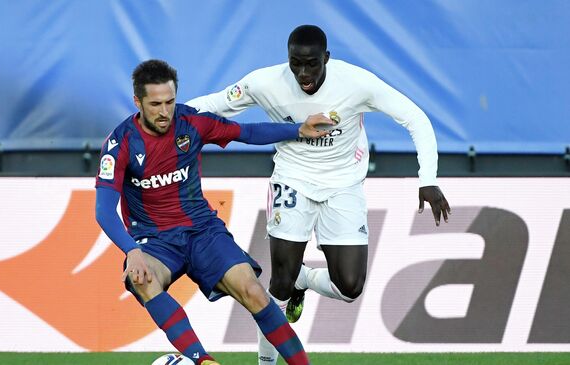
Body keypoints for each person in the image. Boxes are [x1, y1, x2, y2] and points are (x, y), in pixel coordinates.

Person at [187, 24, 452, 365]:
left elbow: (415, 118)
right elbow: (214, 104)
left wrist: (426, 179)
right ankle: (266, 362)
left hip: (343, 185)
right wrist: (159, 121)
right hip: (292, 180)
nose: (303, 73)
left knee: (350, 286)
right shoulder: (265, 83)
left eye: (312, 64)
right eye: (296, 63)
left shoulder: (357, 83)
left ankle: (306, 278)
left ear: (326, 58)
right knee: (278, 282)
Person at [95, 59, 332, 365]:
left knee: (254, 291)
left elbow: (245, 132)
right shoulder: (121, 142)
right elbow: (103, 211)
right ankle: (203, 360)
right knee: (142, 279)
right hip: (154, 242)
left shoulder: (191, 123)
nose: (165, 112)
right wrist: (131, 251)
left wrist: (298, 129)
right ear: (137, 102)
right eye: (155, 104)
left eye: (170, 101)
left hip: (203, 232)